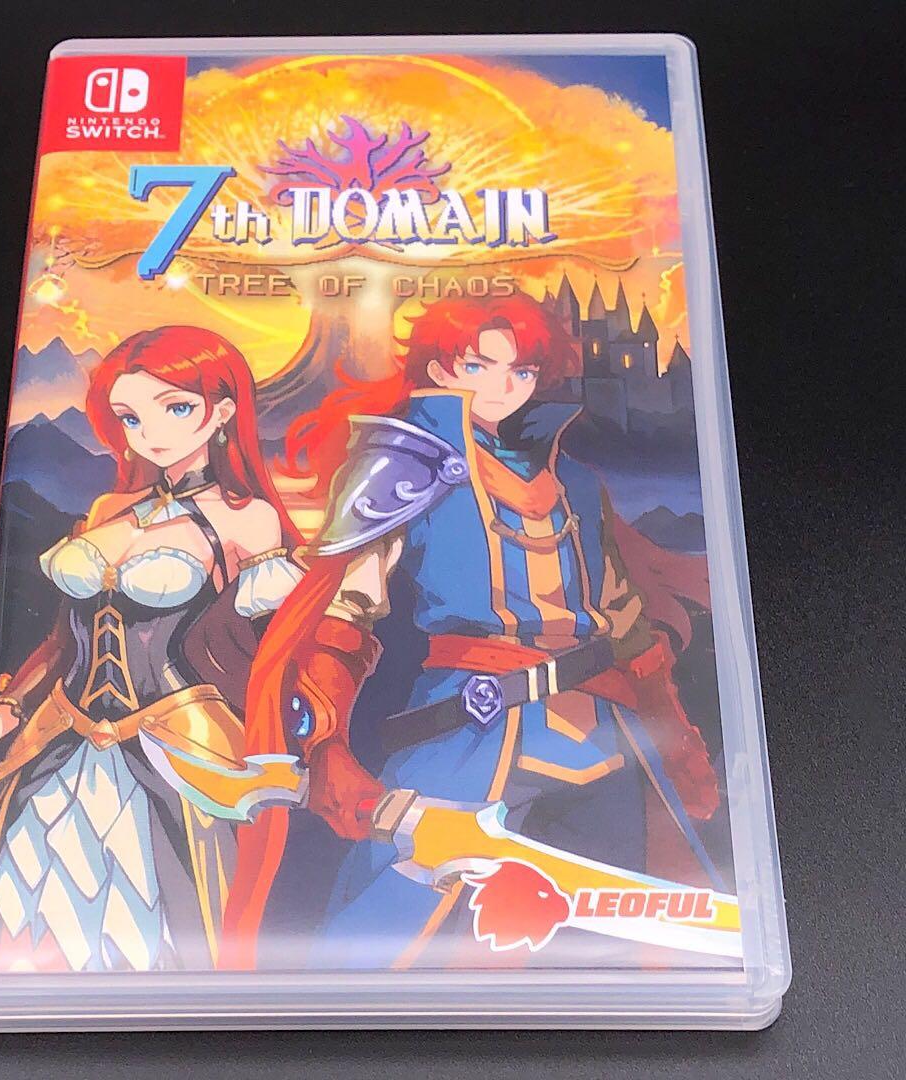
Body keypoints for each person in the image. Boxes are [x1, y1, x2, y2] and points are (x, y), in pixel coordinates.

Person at [224, 292, 720, 970]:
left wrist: (674, 735)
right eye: (479, 365)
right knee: (391, 927)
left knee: (632, 922)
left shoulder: (573, 481)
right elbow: (342, 613)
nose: (502, 386)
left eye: (521, 372)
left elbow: (624, 620)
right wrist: (327, 746)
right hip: (469, 728)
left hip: (602, 731)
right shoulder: (399, 469)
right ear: (439, 368)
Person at [0, 326, 302, 973]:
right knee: (25, 907)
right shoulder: (110, 505)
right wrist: (1, 715)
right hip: (61, 735)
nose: (149, 433)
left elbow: (271, 647)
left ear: (223, 411)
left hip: (180, 745)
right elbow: (61, 642)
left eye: (176, 408)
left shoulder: (248, 518)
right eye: (130, 416)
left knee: (167, 924)